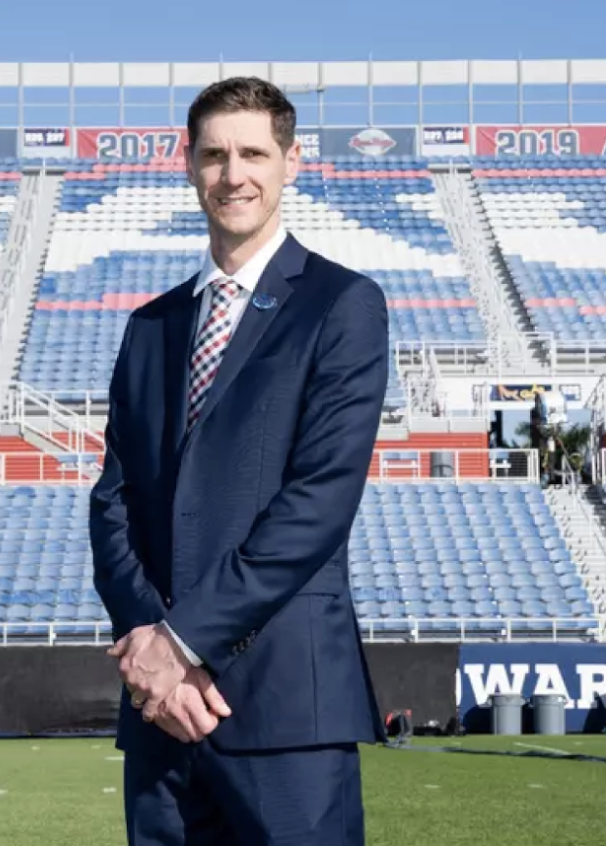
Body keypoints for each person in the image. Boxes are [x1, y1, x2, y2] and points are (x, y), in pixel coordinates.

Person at [89, 76, 389, 846]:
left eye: (254, 152)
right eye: (215, 155)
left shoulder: (341, 305)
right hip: (162, 718)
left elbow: (317, 502)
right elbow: (112, 503)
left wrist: (181, 643)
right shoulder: (149, 327)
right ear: (189, 164)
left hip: (285, 708)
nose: (234, 174)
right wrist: (150, 655)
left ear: (292, 161)